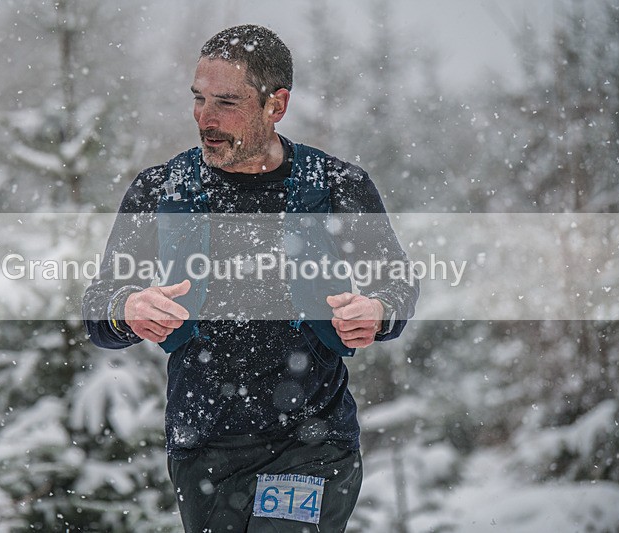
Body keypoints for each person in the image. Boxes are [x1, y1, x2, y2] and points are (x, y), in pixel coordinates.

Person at [83, 24, 418, 532]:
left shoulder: (336, 187)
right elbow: (99, 305)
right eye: (198, 99)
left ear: (275, 105)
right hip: (203, 448)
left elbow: (397, 284)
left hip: (311, 442)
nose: (205, 118)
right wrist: (128, 306)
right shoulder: (162, 190)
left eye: (226, 102)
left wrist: (377, 310)